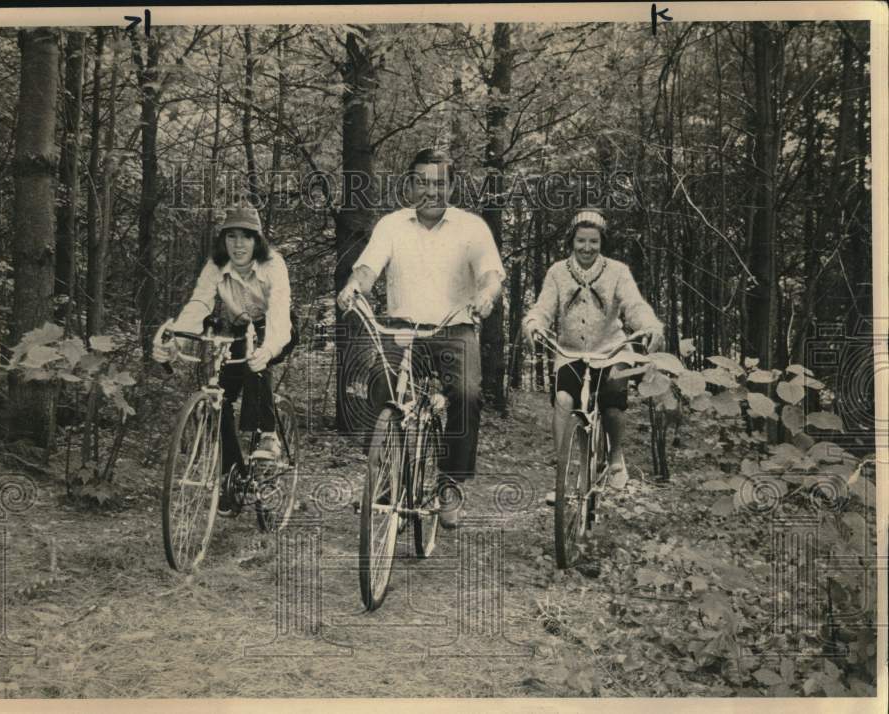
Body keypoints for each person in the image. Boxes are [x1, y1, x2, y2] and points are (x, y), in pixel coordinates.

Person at [336, 148, 505, 529]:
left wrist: (486, 294)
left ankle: (450, 485)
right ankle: (386, 484)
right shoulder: (392, 225)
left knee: (466, 393)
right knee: (380, 388)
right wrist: (353, 288)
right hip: (402, 329)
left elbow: (491, 273)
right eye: (424, 182)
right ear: (411, 183)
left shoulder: (472, 227)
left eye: (441, 182)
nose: (432, 191)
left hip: (453, 329)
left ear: (452, 185)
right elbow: (367, 268)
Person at [522, 208, 664, 484]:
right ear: (571, 242)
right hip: (571, 352)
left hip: (611, 350)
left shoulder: (618, 272)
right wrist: (533, 323)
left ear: (602, 243)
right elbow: (543, 308)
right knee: (563, 400)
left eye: (593, 242)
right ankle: (561, 472)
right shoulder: (557, 273)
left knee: (612, 398)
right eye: (581, 241)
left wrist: (649, 325)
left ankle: (615, 457)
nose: (587, 247)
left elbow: (633, 305)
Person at [153, 205, 294, 469]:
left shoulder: (273, 264)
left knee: (256, 358)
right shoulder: (215, 266)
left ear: (257, 240)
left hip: (276, 327)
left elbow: (279, 312)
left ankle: (268, 434)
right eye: (232, 236)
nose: (238, 245)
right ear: (223, 240)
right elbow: (200, 304)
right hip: (240, 329)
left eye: (246, 236)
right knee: (219, 401)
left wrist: (269, 349)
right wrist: (176, 340)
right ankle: (234, 475)